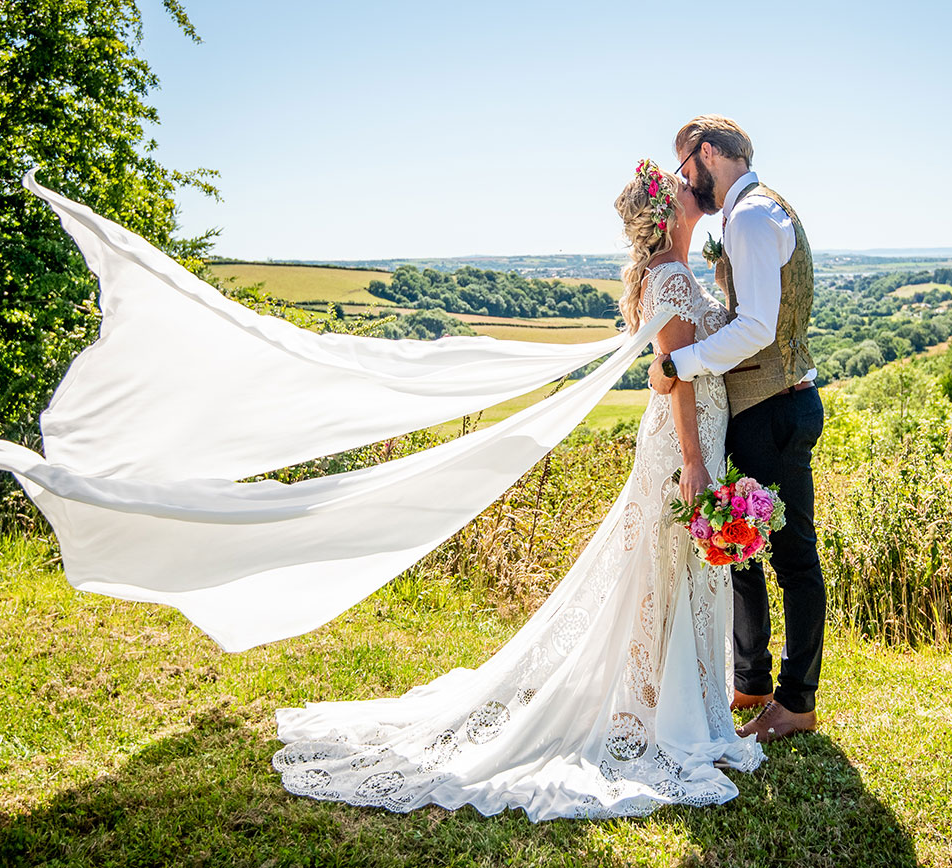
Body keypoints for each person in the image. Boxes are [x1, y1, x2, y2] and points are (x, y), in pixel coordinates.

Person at [270, 160, 764, 820]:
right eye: (677, 184)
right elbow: (673, 379)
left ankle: (668, 701)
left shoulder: (672, 274)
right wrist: (698, 464)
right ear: (667, 213)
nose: (686, 182)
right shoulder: (671, 277)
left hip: (688, 438)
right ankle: (663, 711)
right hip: (684, 446)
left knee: (667, 571)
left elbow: (658, 371)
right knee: (661, 570)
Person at [647, 115, 825, 744]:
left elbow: (755, 329)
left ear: (709, 153)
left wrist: (678, 363)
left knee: (789, 556)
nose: (682, 177)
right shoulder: (763, 209)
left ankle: (796, 700)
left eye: (684, 162)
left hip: (772, 406)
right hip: (769, 404)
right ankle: (751, 681)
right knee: (741, 549)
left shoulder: (748, 218)